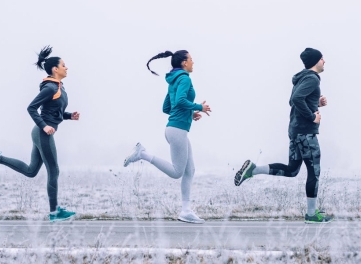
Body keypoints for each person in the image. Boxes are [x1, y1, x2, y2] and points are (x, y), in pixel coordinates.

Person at [0, 45, 79, 222]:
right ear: (55, 69)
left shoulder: (59, 87)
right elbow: (31, 108)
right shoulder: (50, 88)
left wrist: (69, 116)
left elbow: (53, 112)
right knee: (54, 171)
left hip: (40, 132)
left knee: (31, 171)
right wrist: (45, 126)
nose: (66, 67)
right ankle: (54, 212)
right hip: (42, 133)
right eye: (64, 65)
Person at [234, 48, 333, 224]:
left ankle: (253, 170)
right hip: (306, 133)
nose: (324, 61)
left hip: (296, 131)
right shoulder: (311, 78)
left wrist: (315, 103)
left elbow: (293, 99)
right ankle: (311, 214)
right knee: (314, 171)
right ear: (315, 61)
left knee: (293, 169)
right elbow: (296, 100)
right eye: (322, 58)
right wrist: (313, 117)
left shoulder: (301, 78)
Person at [123, 50, 212, 224]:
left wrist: (190, 114)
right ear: (184, 63)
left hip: (176, 128)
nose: (193, 62)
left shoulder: (173, 80)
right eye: (192, 60)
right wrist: (198, 107)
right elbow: (179, 102)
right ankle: (142, 154)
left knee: (189, 170)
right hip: (177, 130)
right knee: (177, 172)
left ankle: (186, 211)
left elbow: (167, 107)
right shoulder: (185, 78)